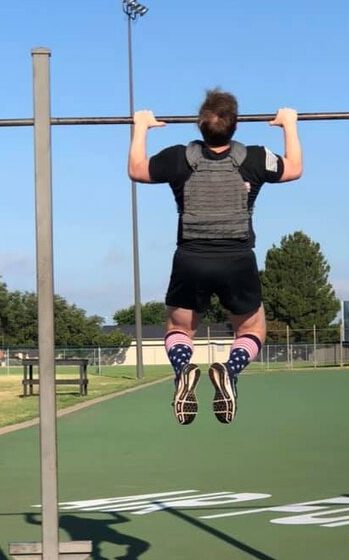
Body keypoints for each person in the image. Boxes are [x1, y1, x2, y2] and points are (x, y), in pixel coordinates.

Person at [128, 89, 303, 425]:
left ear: (199, 127)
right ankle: (229, 369)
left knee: (179, 327)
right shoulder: (253, 157)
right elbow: (294, 167)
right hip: (237, 259)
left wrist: (141, 126)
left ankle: (183, 368)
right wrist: (288, 124)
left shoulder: (178, 157)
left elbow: (137, 169)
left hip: (190, 257)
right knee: (252, 329)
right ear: (235, 126)